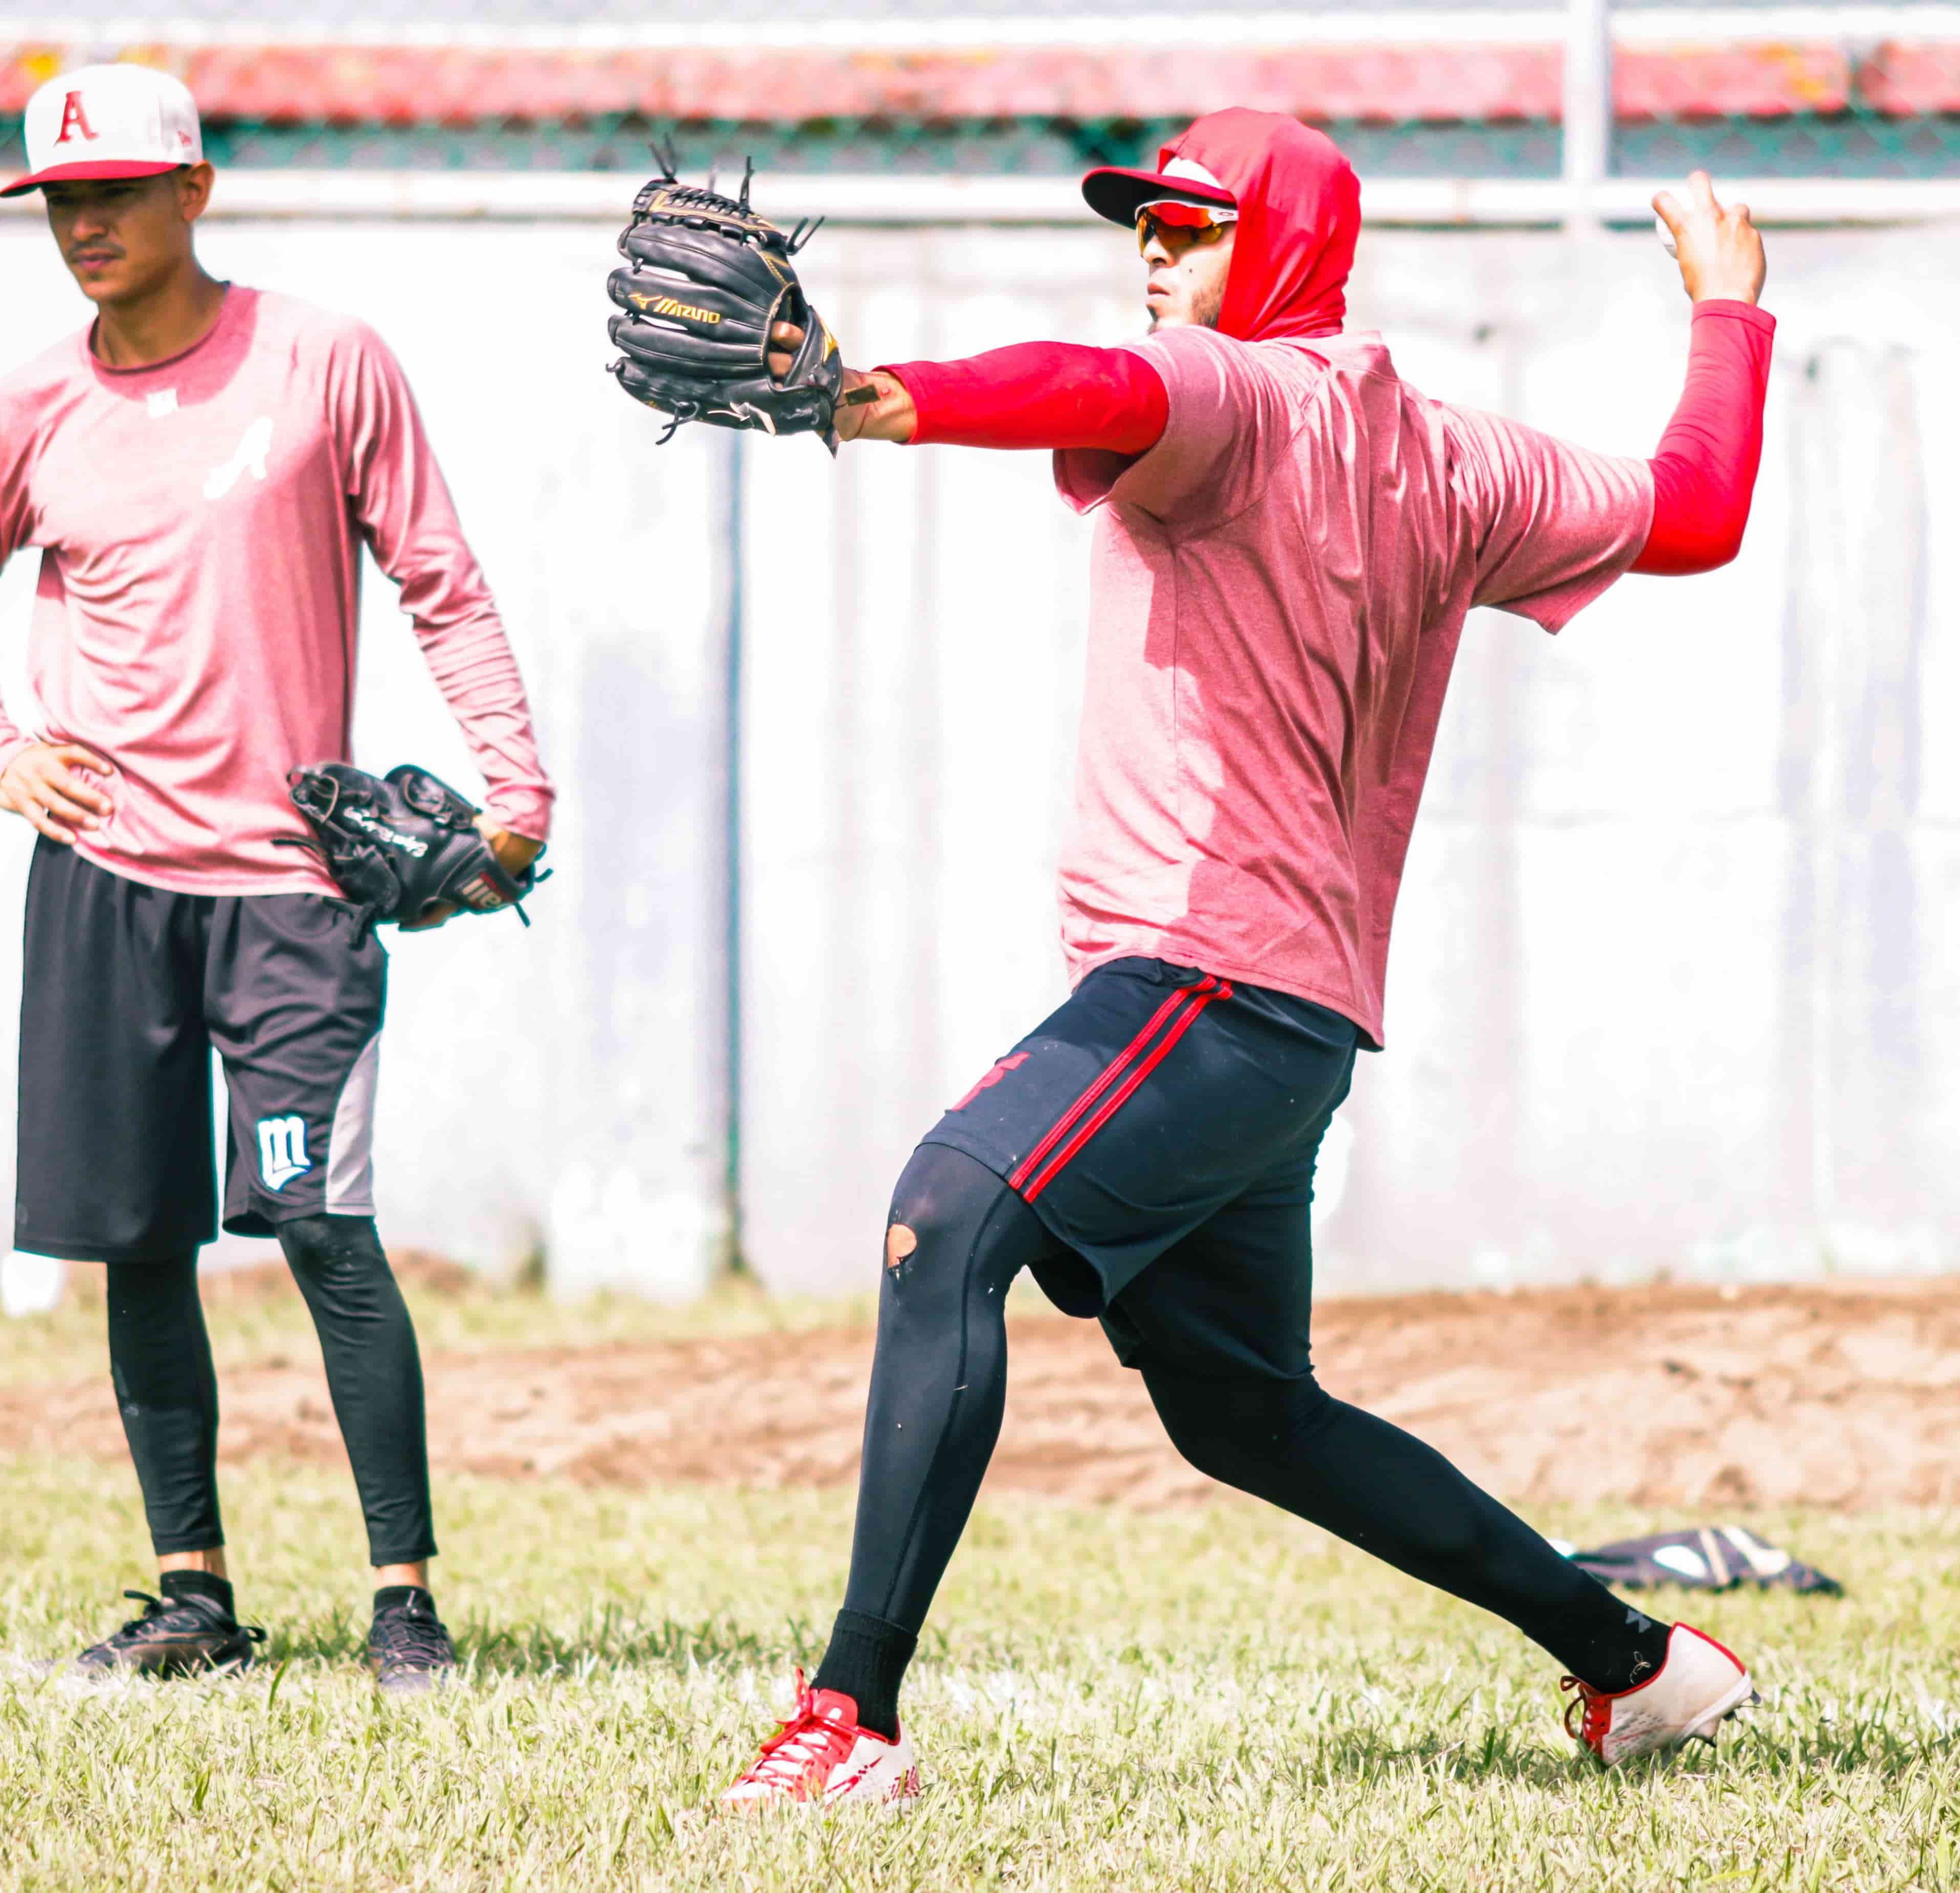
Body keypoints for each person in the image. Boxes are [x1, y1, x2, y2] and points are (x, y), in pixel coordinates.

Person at [715, 109, 1776, 1807]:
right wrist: (1729, 311)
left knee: (943, 1221)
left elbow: (1102, 389)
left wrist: (865, 390)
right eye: (1140, 220)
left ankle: (850, 1719)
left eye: (1190, 226)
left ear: (1278, 248)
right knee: (1246, 1415)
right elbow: (1698, 509)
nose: (1150, 249)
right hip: (1290, 1023)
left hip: (1197, 984)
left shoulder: (1233, 390)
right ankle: (1644, 1663)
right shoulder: (1462, 457)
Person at [0, 63, 552, 1695]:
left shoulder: (326, 363)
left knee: (328, 1229)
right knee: (136, 1238)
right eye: (60, 197)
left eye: (115, 189)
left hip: (288, 892)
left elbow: (444, 585)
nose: (85, 221)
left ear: (195, 189)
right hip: (106, 880)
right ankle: (193, 1593)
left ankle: (403, 1600)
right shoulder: (27, 411)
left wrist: (520, 792)